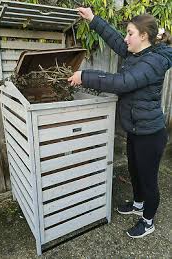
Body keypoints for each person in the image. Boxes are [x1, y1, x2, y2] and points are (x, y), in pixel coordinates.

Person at [68, 7, 172, 238]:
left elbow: (123, 82)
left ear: (143, 36)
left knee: (148, 179)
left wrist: (84, 76)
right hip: (135, 129)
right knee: (134, 171)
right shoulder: (137, 53)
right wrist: (93, 19)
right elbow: (115, 39)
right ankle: (137, 204)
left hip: (150, 133)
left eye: (130, 33)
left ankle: (148, 221)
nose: (125, 38)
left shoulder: (153, 62)